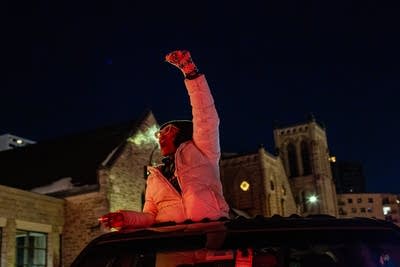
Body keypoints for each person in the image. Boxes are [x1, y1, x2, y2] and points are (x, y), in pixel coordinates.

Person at [99, 50, 229, 230]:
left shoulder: (203, 151)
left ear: (182, 133)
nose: (161, 137)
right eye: (159, 134)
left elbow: (205, 116)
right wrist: (125, 218)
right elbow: (150, 216)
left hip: (208, 234)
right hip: (170, 243)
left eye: (167, 131)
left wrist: (190, 72)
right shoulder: (155, 177)